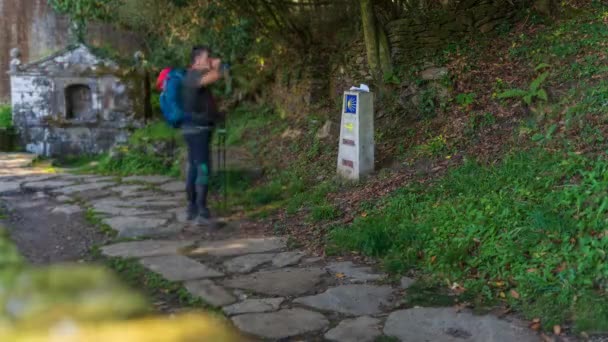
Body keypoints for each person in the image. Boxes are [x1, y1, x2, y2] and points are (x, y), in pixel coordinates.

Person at [181, 45, 223, 226]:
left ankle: (192, 207)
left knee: (194, 166)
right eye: (207, 57)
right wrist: (216, 66)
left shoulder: (191, 76)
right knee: (203, 167)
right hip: (197, 130)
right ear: (197, 60)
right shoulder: (193, 76)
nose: (210, 59)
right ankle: (201, 208)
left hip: (194, 128)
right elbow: (215, 76)